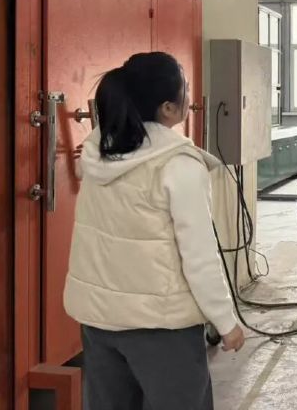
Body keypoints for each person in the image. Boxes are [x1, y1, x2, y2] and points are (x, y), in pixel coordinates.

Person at [63, 52, 244, 410]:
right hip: (161, 327)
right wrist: (226, 321)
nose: (190, 96)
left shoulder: (100, 153)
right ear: (168, 109)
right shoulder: (178, 166)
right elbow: (199, 257)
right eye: (185, 89)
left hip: (99, 322)